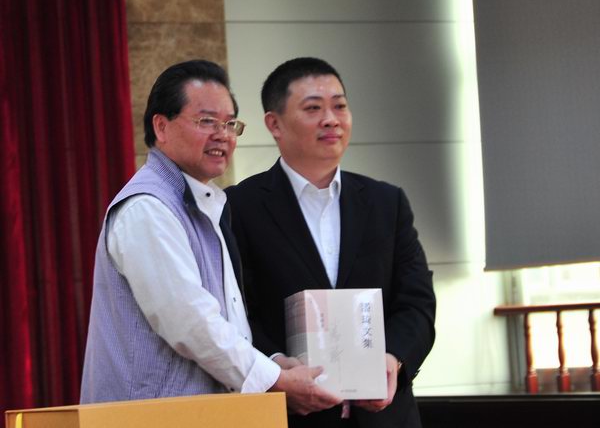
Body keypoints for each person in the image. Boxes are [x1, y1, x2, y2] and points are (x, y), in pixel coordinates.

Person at [80, 59, 342, 414]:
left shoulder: (203, 203)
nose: (223, 135)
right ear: (161, 126)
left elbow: (225, 322)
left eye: (230, 123)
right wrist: (274, 380)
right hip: (150, 416)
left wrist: (273, 364)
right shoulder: (148, 208)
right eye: (206, 121)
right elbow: (191, 323)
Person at [226, 57, 436, 428]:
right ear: (274, 124)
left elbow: (416, 302)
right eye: (313, 108)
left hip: (385, 417)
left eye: (339, 106)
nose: (331, 119)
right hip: (290, 415)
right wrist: (275, 366)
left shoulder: (387, 203)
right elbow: (236, 311)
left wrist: (393, 359)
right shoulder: (239, 207)